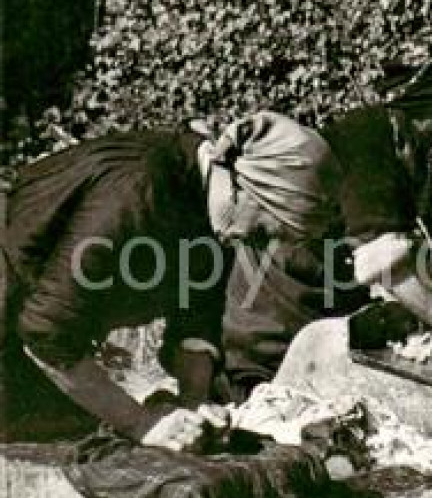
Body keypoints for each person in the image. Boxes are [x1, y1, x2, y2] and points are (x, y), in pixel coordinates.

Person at [1, 113, 341, 449]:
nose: (260, 246)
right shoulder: (137, 192)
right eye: (264, 231)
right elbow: (47, 331)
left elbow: (196, 317)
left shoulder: (215, 210)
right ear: (243, 188)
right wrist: (143, 424)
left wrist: (194, 402)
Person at [223, 47, 432, 391]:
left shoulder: (397, 149)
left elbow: (410, 258)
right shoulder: (368, 143)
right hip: (278, 337)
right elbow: (381, 261)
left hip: (304, 316)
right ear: (427, 118)